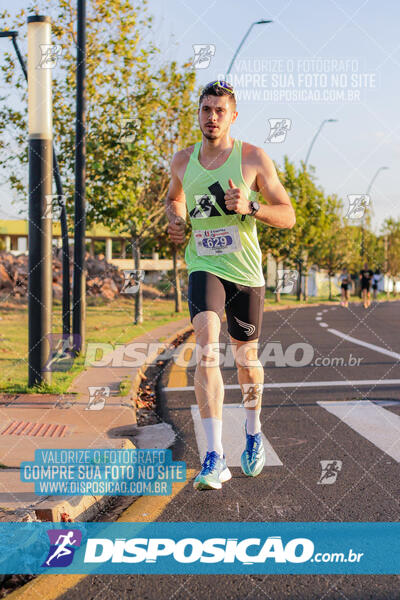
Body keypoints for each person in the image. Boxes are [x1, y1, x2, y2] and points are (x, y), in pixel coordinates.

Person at [165, 80, 295, 490]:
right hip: (204, 264)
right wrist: (175, 217)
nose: (212, 117)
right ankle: (214, 455)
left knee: (246, 362)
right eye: (206, 109)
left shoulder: (253, 157)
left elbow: (288, 214)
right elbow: (175, 198)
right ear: (198, 113)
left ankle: (254, 433)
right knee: (205, 345)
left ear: (233, 116)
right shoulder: (183, 160)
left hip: (245, 274)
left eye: (220, 110)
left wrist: (251, 206)